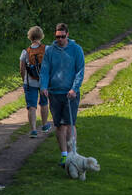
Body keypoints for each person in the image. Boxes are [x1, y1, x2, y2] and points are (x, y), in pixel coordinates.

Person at [42, 22, 85, 163]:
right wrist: (43, 86)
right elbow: (44, 70)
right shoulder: (49, 51)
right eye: (57, 37)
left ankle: (73, 153)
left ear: (67, 35)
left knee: (69, 124)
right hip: (54, 93)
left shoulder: (76, 50)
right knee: (59, 125)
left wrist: (75, 88)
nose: (59, 39)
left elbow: (80, 71)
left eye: (62, 36)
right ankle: (64, 155)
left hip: (70, 93)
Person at [20, 26, 53, 138]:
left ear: (30, 36)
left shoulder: (25, 51)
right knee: (44, 103)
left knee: (31, 106)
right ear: (41, 36)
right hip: (43, 82)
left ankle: (33, 130)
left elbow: (22, 68)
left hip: (30, 82)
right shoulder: (47, 49)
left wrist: (24, 79)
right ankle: (44, 125)